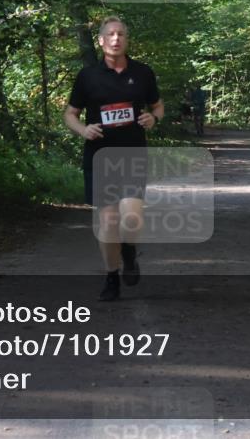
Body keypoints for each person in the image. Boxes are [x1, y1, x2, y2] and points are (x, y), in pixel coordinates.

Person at [64, 17, 164, 301]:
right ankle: (111, 277)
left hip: (133, 154)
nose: (116, 38)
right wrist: (84, 129)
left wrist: (152, 118)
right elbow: (70, 114)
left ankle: (129, 251)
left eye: (121, 34)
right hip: (100, 156)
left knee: (131, 217)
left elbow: (158, 106)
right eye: (110, 34)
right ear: (101, 40)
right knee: (108, 220)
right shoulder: (87, 76)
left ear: (127, 40)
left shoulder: (143, 73)